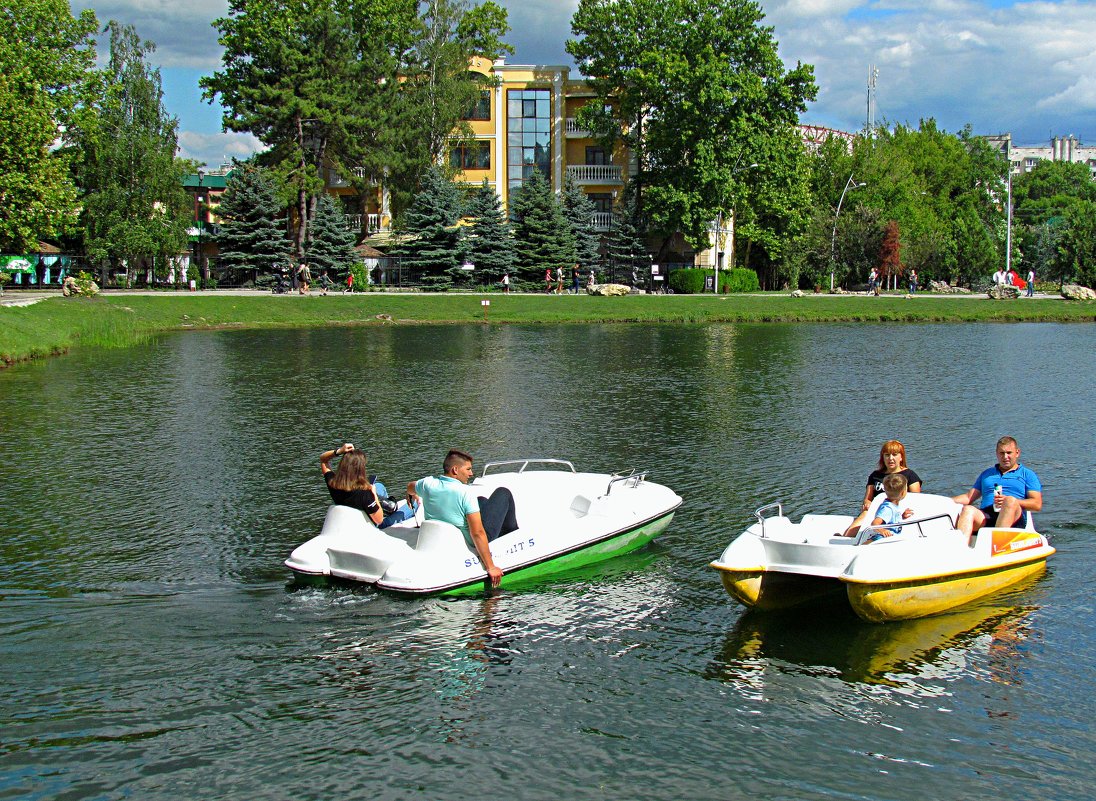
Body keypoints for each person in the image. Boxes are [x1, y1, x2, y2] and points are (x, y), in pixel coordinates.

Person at [406, 449, 518, 587]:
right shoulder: (465, 493)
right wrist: (490, 567)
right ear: (455, 470)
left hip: (442, 534)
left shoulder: (427, 484)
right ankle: (512, 533)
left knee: (481, 500)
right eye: (468, 469)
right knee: (503, 492)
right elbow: (477, 533)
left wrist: (412, 494)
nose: (471, 473)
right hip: (471, 539)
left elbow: (410, 487)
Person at [952, 436, 1042, 538]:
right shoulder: (987, 474)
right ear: (997, 453)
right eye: (1002, 453)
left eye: (1009, 453)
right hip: (988, 515)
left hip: (1014, 516)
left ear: (1017, 453)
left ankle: (996, 542)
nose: (1005, 457)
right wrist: (942, 500)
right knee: (968, 510)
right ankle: (961, 548)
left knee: (1010, 501)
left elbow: (1036, 504)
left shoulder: (1027, 474)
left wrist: (1010, 501)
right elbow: (968, 497)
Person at [321, 444, 417, 529]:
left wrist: (338, 451)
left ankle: (387, 506)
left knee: (379, 486)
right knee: (416, 502)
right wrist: (373, 494)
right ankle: (389, 508)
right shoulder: (365, 493)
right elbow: (379, 520)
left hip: (349, 519)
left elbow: (323, 460)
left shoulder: (332, 483)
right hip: (371, 525)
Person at [842, 440, 923, 536]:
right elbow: (868, 499)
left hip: (896, 512)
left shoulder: (910, 475)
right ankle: (848, 537)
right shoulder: (875, 475)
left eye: (894, 455)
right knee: (863, 516)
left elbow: (916, 500)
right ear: (883, 457)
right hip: (876, 510)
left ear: (901, 457)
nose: (891, 458)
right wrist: (867, 503)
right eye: (887, 455)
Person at [863, 473, 915, 542]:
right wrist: (882, 530)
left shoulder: (893, 505)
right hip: (882, 538)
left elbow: (891, 520)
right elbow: (875, 523)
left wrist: (901, 516)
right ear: (903, 493)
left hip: (892, 538)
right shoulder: (887, 508)